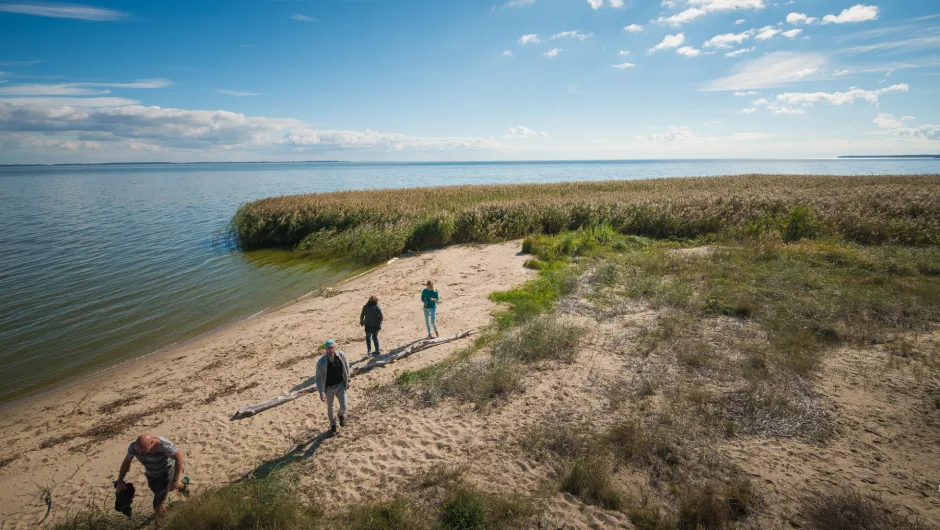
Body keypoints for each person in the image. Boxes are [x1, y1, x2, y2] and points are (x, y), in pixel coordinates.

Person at [115, 434, 184, 524]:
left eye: (144, 451)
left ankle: (161, 525)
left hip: (167, 472)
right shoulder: (133, 448)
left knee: (158, 503)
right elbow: (127, 462)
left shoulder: (164, 445)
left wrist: (175, 479)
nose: (141, 454)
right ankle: (183, 485)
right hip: (152, 475)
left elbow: (179, 458)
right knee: (168, 489)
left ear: (152, 443)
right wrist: (120, 481)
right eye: (139, 451)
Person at [315, 339, 350, 435]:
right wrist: (321, 392)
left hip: (340, 385)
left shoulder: (341, 356)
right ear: (325, 349)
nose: (330, 350)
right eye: (328, 348)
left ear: (335, 347)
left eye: (332, 347)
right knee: (330, 407)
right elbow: (318, 378)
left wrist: (348, 380)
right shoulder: (321, 362)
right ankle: (333, 426)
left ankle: (340, 415)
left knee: (344, 406)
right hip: (328, 388)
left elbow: (346, 367)